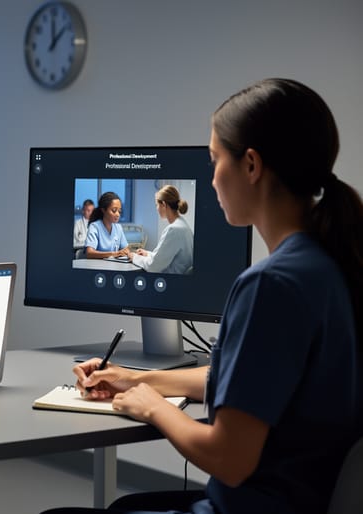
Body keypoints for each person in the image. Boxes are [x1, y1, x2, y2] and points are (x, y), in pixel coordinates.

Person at [43, 78, 363, 514]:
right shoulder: (331, 263)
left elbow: (228, 459)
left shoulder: (271, 285)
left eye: (214, 161)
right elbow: (242, 385)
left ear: (251, 165)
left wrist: (154, 406)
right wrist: (134, 379)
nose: (211, 179)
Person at [131, 185, 194, 274]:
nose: (157, 209)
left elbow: (153, 266)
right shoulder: (183, 225)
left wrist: (134, 257)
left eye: (157, 205)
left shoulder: (173, 230)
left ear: (164, 205)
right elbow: (166, 257)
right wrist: (147, 254)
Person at [84, 191, 130, 259]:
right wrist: (114, 254)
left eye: (119, 211)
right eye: (114, 210)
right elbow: (89, 253)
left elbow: (126, 249)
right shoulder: (95, 227)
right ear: (103, 210)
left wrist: (128, 253)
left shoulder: (118, 228)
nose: (118, 214)